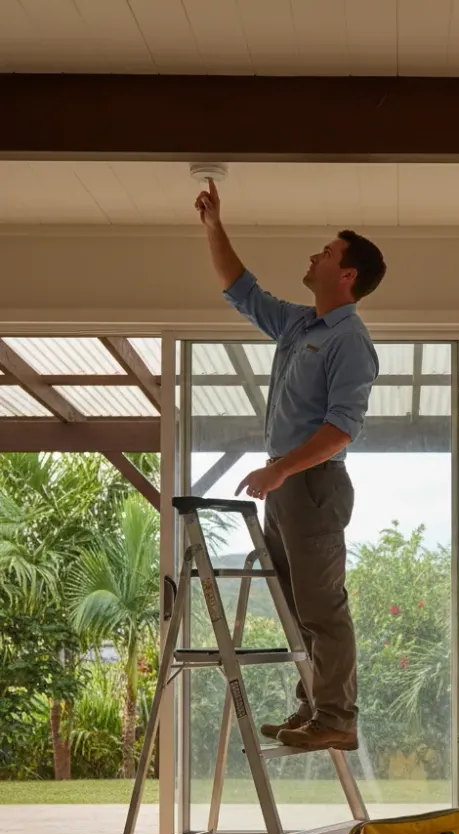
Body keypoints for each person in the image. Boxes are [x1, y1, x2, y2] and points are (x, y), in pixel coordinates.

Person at [194, 178, 385, 752]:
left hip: (313, 485)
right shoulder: (300, 324)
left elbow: (342, 428)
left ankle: (337, 717)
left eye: (326, 253)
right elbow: (242, 289)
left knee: (323, 607)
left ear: (347, 274)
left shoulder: (350, 340)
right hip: (286, 485)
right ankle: (313, 709)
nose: (314, 256)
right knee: (298, 607)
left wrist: (281, 471)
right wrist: (213, 226)